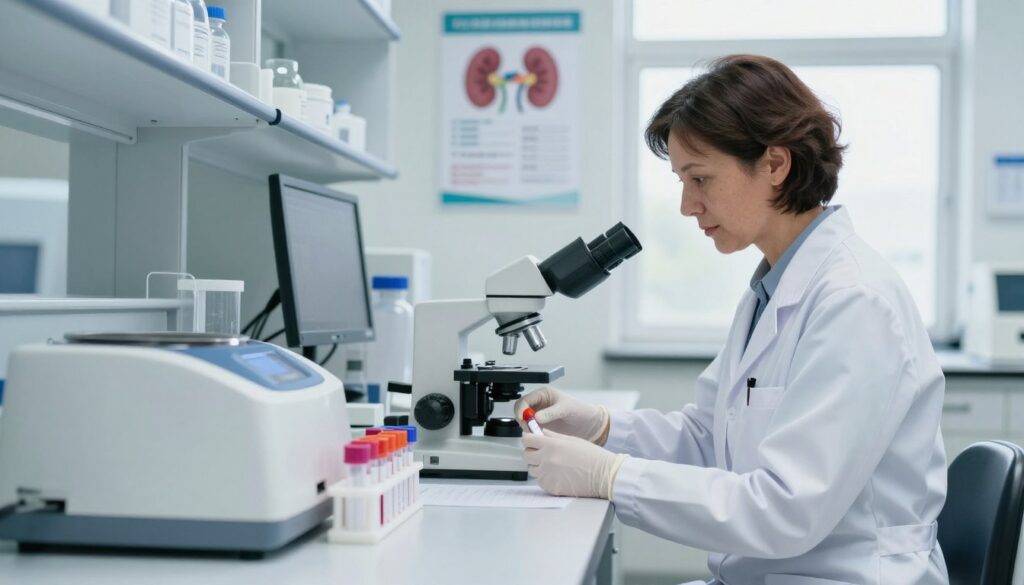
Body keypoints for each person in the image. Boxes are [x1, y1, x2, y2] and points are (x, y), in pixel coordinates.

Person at [516, 55, 948, 584]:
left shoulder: (854, 302)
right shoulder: (773, 288)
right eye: (681, 179)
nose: (686, 205)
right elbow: (709, 439)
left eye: (699, 178)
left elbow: (787, 511)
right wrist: (603, 428)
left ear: (774, 164)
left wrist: (611, 477)